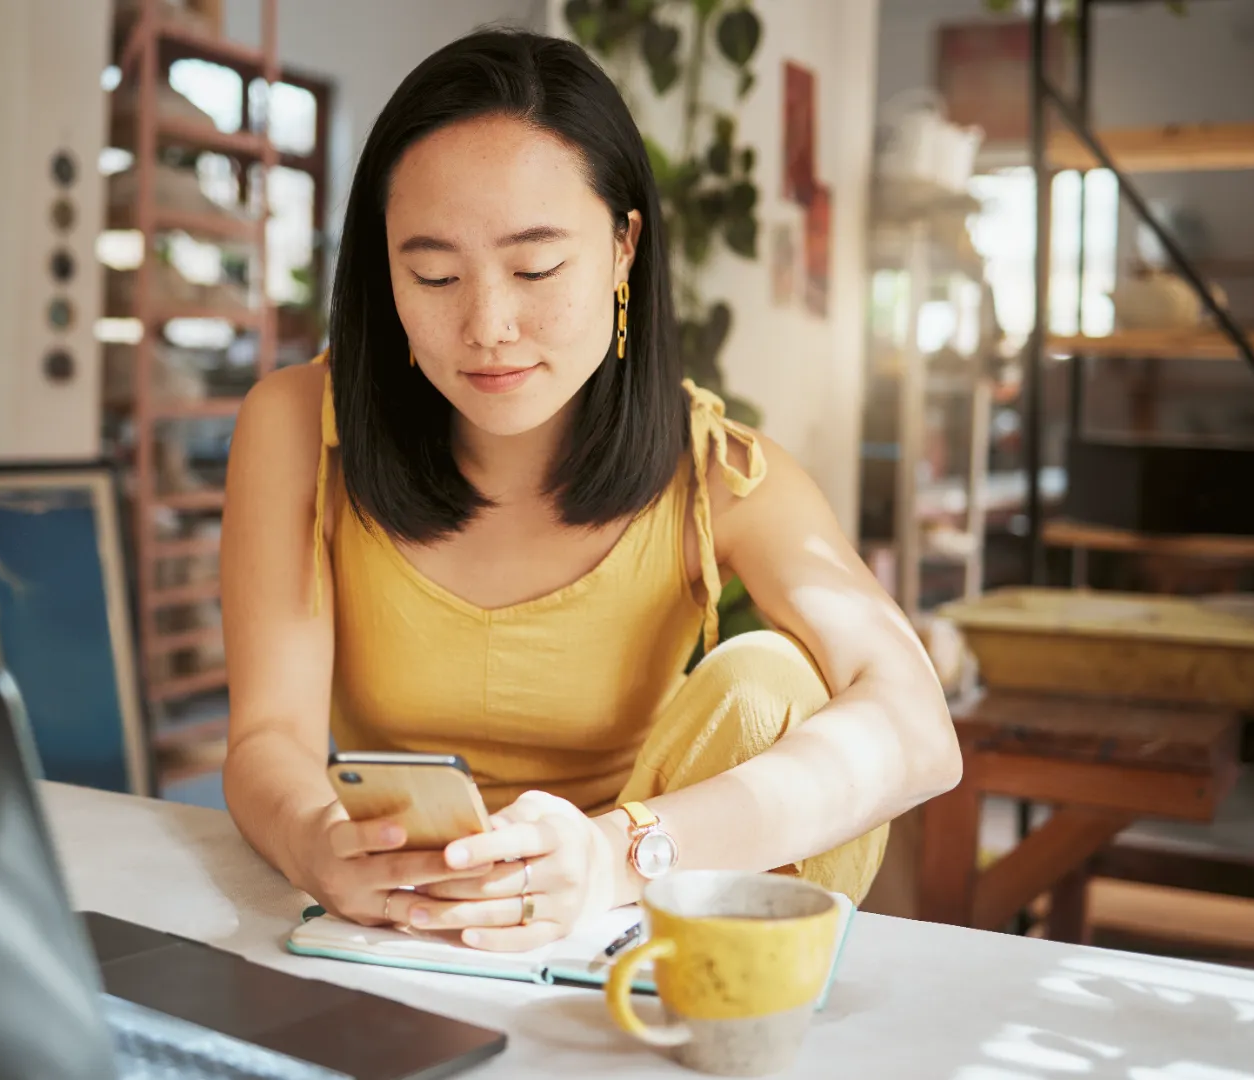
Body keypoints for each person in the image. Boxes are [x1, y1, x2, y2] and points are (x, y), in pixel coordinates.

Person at [220, 29, 960, 953]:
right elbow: (266, 741)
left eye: (536, 269)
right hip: (395, 917)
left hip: (634, 924)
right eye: (433, 274)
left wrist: (621, 854)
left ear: (622, 250)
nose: (487, 325)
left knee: (768, 680)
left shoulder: (717, 473)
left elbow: (917, 727)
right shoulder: (299, 428)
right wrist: (315, 842)